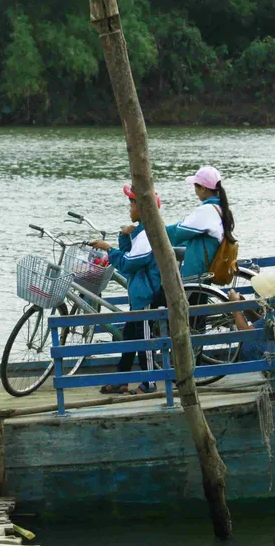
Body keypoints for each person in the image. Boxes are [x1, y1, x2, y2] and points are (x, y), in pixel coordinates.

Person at [90, 185, 163, 395]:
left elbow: (129, 263)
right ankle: (122, 379)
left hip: (146, 295)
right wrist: (123, 236)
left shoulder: (147, 234)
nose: (129, 207)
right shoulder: (140, 232)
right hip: (138, 294)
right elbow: (128, 254)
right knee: (130, 337)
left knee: (144, 340)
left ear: (141, 208)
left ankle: (149, 383)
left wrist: (108, 248)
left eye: (132, 203)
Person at [165, 166, 237, 282]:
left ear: (203, 188)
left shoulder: (207, 210)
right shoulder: (220, 208)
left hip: (196, 272)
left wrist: (153, 231)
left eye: (195, 186)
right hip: (207, 269)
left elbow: (179, 232)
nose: (195, 190)